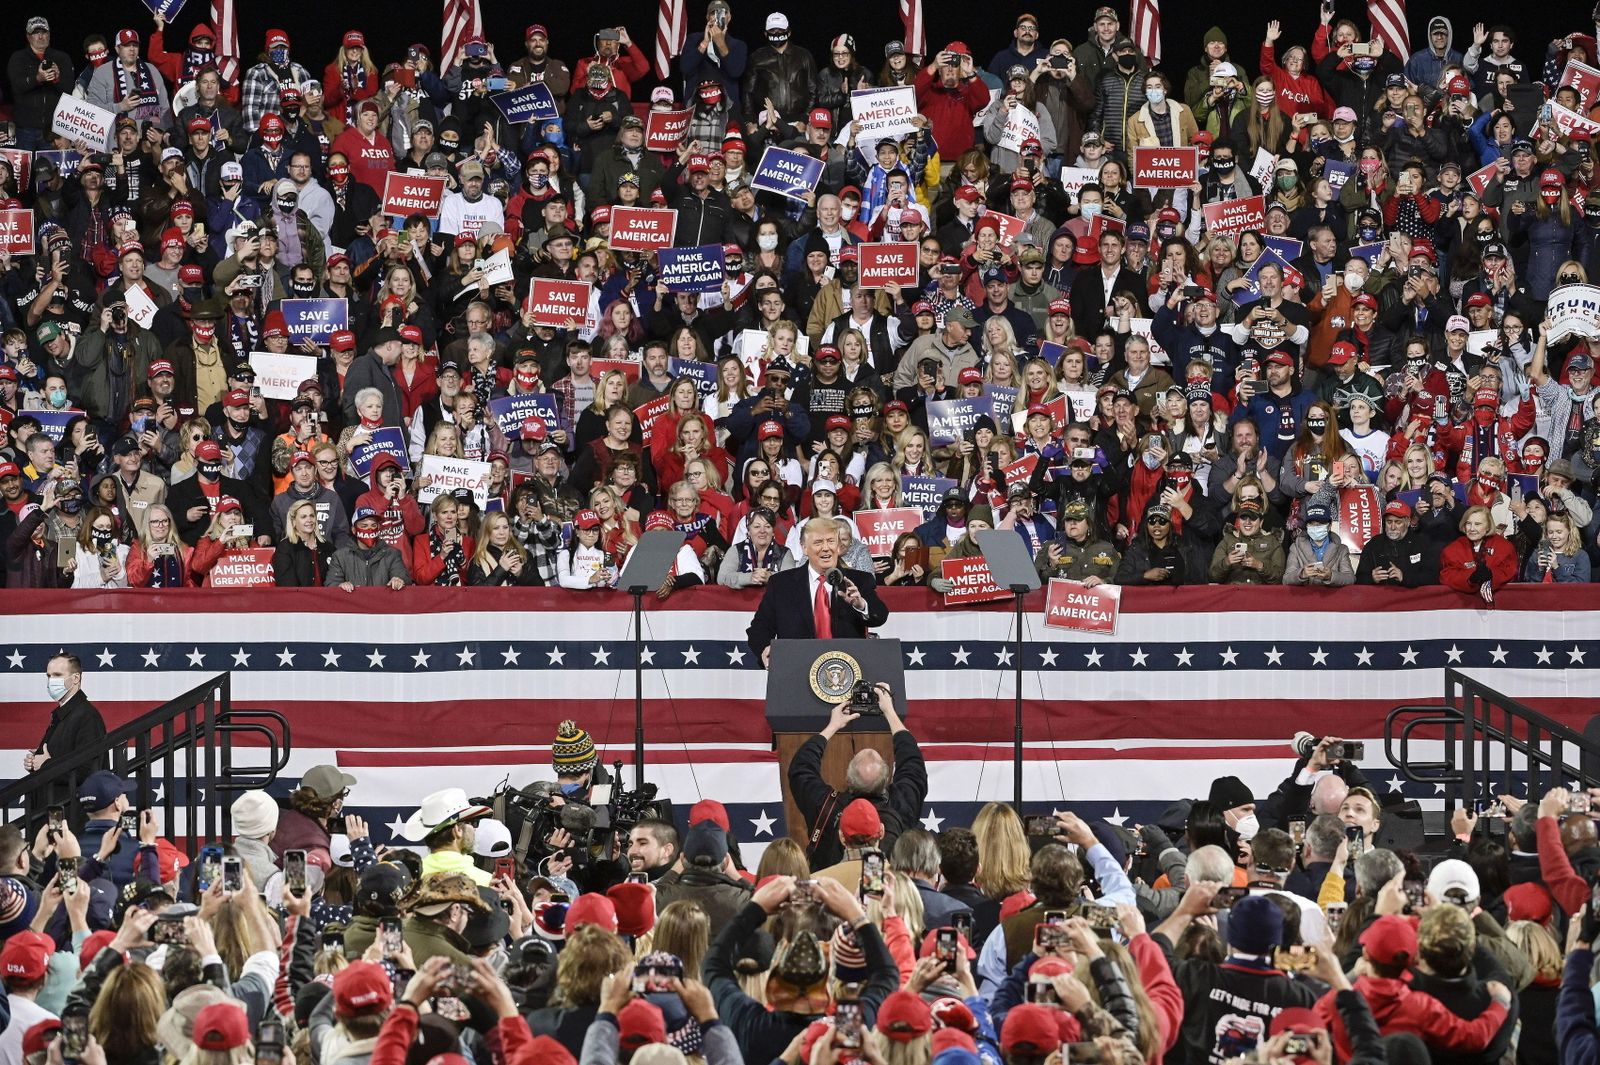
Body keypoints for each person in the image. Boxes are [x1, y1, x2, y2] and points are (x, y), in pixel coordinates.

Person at [788, 689, 927, 871]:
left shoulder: (826, 806)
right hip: (887, 896)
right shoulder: (901, 805)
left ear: (842, 837)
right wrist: (890, 712)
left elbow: (801, 768)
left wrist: (832, 726)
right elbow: (912, 764)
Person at [745, 516, 889, 667]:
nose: (826, 548)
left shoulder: (858, 580)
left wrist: (861, 605)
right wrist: (765, 649)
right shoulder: (782, 584)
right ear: (804, 548)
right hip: (797, 670)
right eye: (818, 542)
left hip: (845, 674)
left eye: (831, 541)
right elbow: (758, 630)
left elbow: (880, 616)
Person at [27, 654, 107, 777]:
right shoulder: (63, 714)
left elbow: (89, 769)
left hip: (68, 796)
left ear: (75, 678)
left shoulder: (87, 715)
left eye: (57, 675)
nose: (51, 680)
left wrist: (46, 764)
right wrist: (35, 761)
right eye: (49, 676)